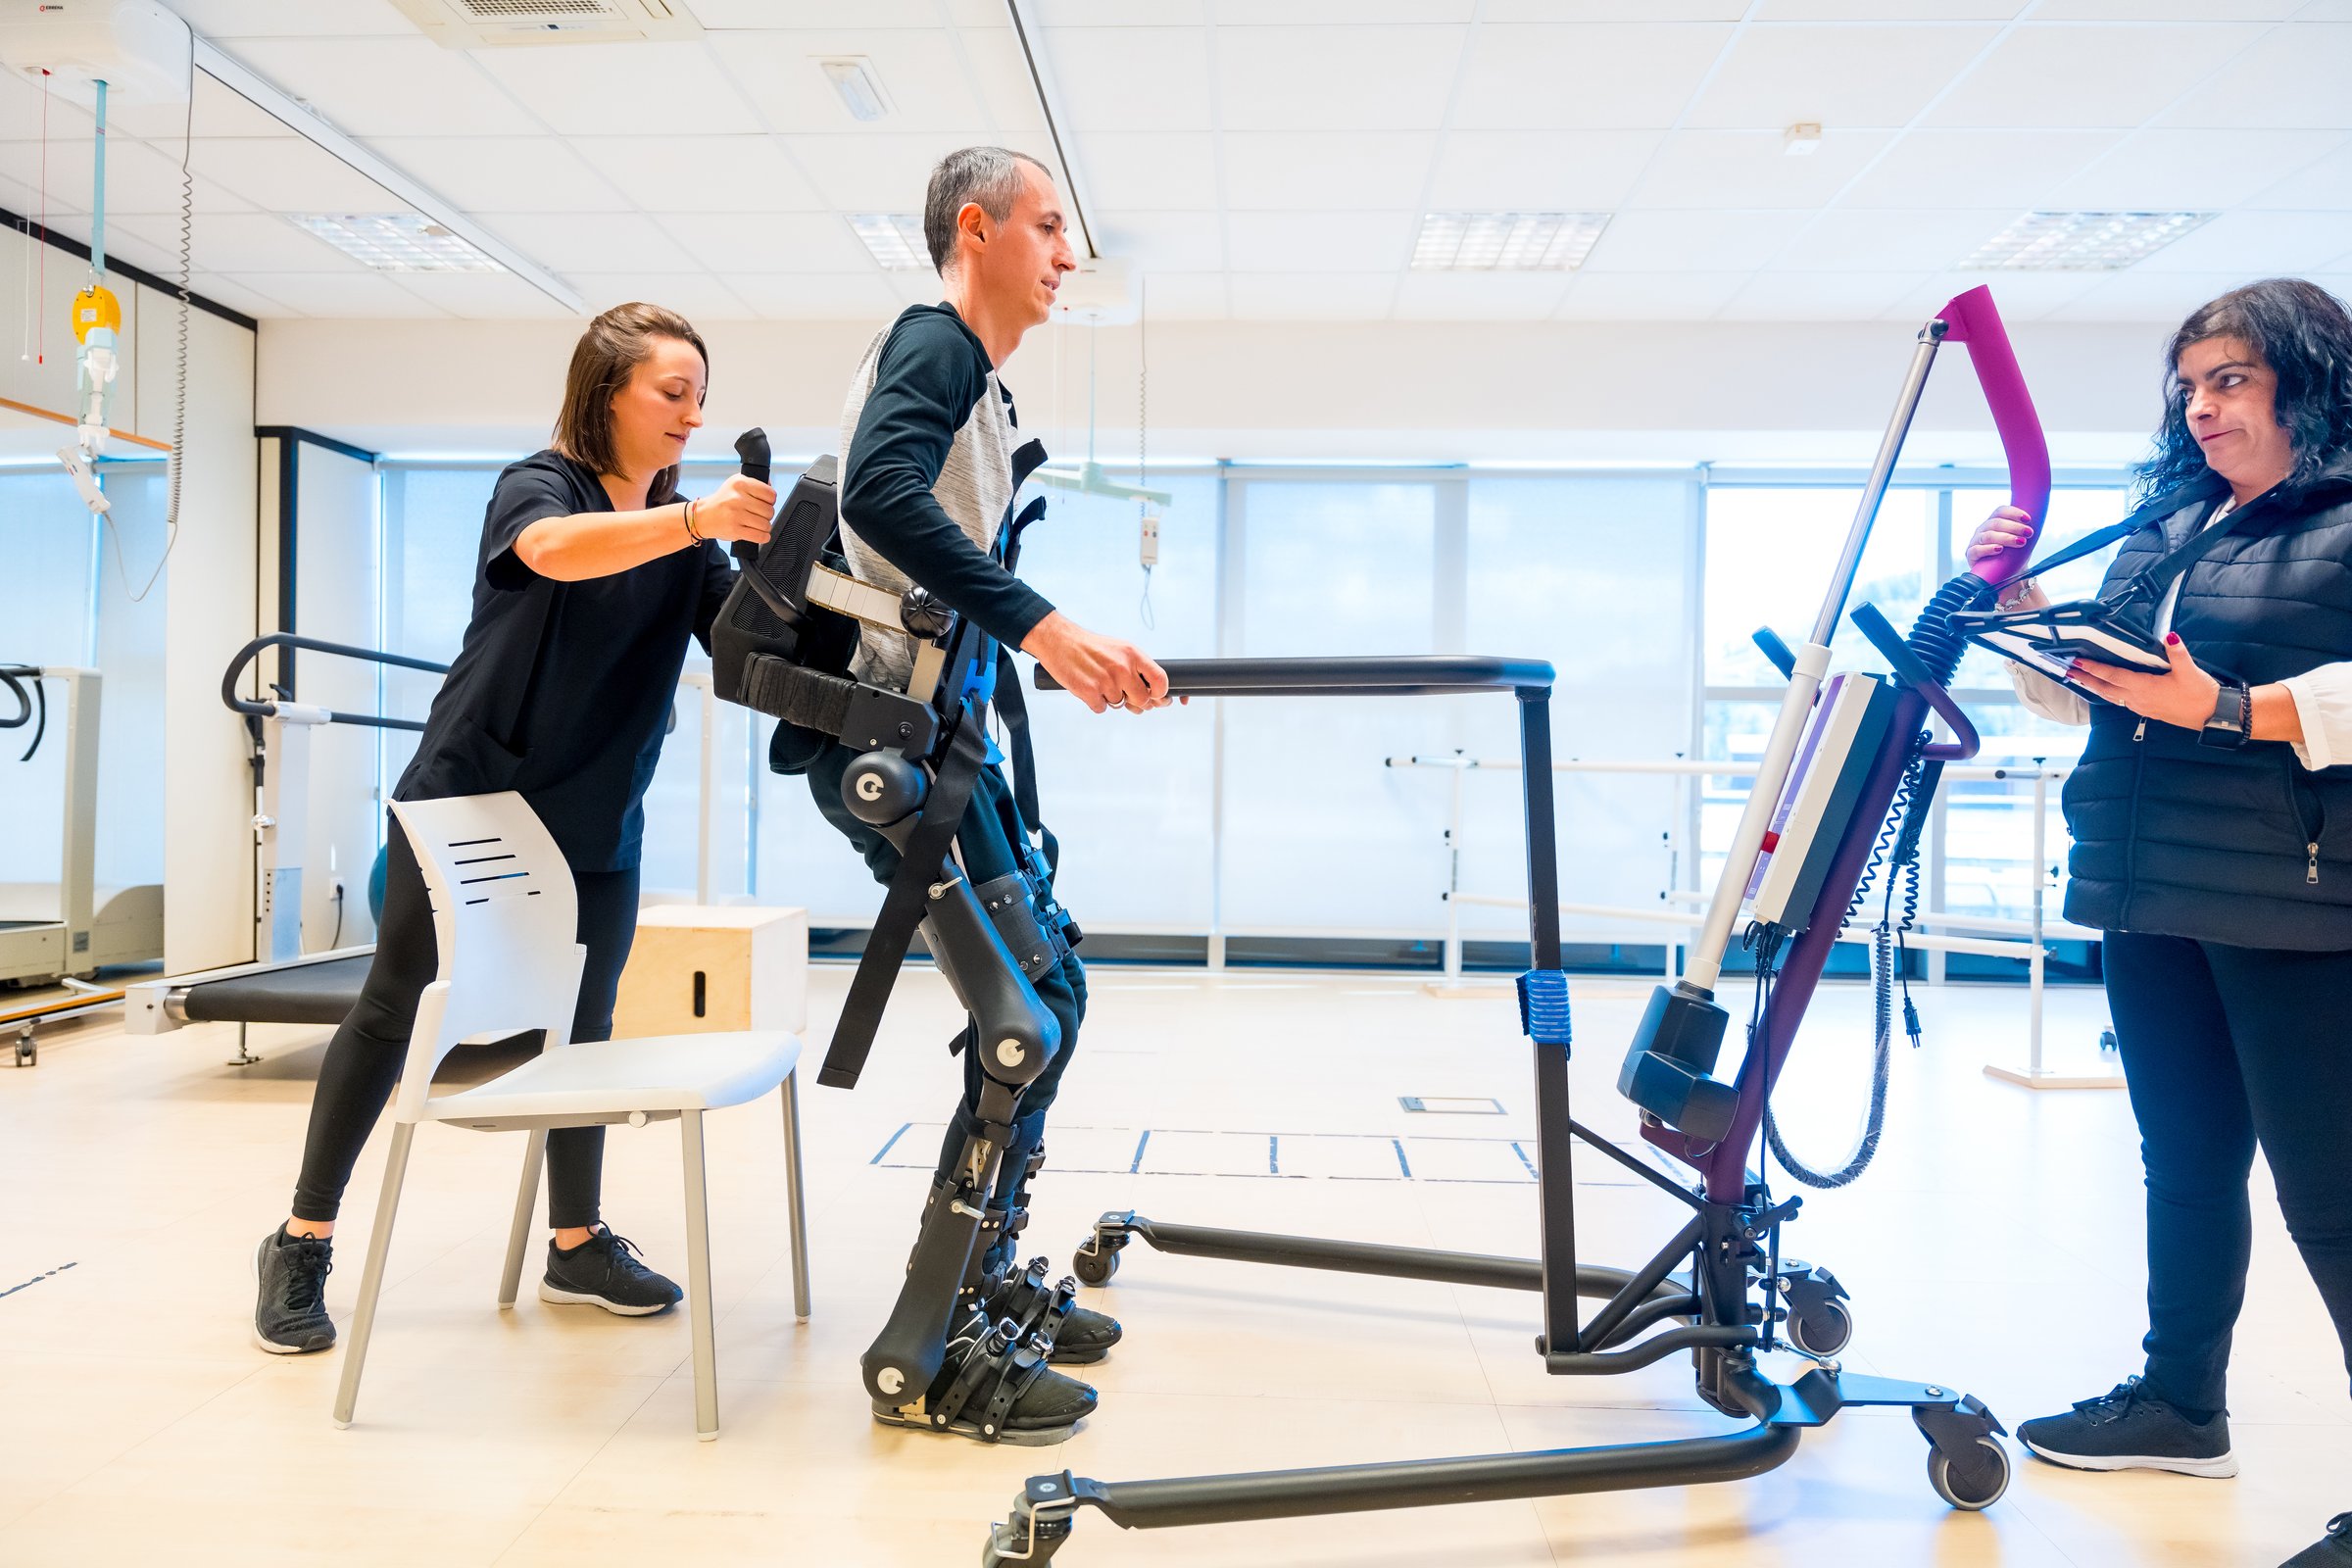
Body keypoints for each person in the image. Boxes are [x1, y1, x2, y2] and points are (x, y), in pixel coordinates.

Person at [252, 303, 777, 1353]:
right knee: (396, 1006)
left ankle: (575, 1242)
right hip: (474, 796)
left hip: (597, 812)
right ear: (606, 393)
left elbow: (740, 647)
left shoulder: (684, 535)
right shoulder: (544, 487)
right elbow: (551, 553)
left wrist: (803, 581)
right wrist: (696, 522)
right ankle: (300, 1238)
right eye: (672, 392)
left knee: (585, 1027)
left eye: (701, 397)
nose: (691, 414)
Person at [1968, 277, 2352, 1568]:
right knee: (2184, 1168)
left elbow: (2283, 698)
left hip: (2296, 904)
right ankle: (2180, 1405)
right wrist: (2022, 610)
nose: (2201, 407)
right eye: (2189, 385)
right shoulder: (2170, 528)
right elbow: (2084, 700)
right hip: (2146, 886)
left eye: (2231, 378)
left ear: (2304, 379)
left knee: (2332, 1203)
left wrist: (2237, 712)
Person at [807, 145, 1172, 1442]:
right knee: (1021, 1022)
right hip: (891, 745)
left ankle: (993, 1272)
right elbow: (882, 496)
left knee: (1048, 996)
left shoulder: (981, 384)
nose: (1067, 252)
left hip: (943, 737)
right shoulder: (938, 340)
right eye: (1049, 225)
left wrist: (1029, 652)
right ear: (978, 229)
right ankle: (934, 1350)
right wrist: (1046, 631)